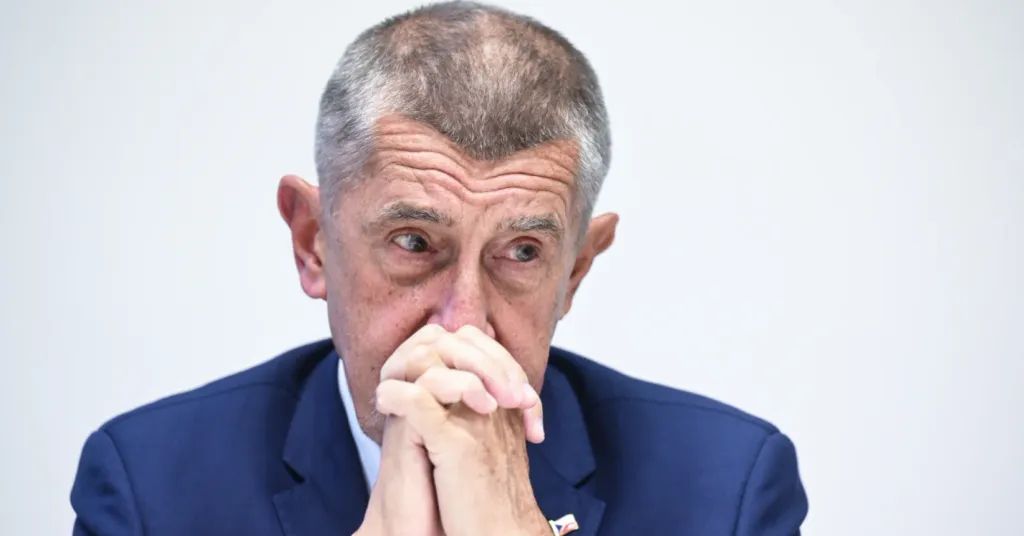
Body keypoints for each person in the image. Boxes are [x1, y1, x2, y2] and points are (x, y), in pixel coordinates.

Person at [70, 2, 808, 534]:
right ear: (313, 242)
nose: (463, 324)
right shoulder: (150, 489)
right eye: (414, 243)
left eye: (522, 253)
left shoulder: (728, 491)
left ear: (575, 272)